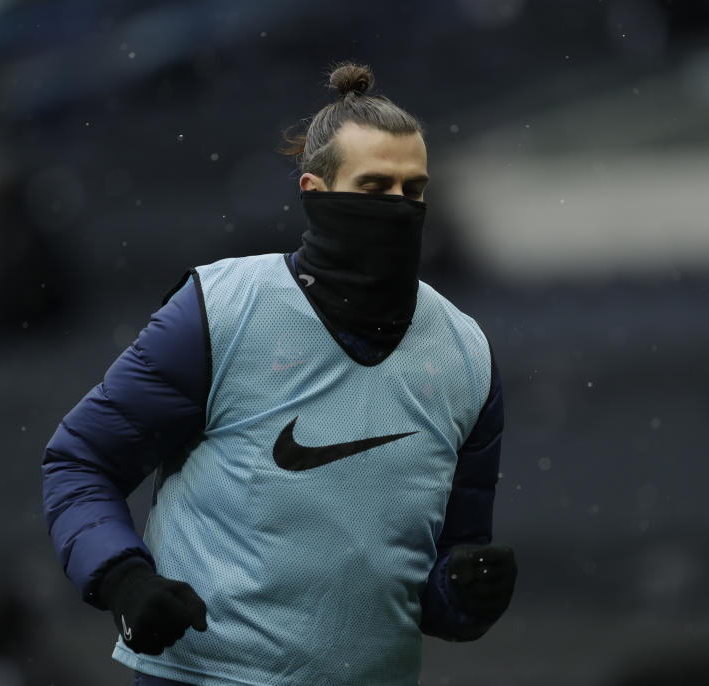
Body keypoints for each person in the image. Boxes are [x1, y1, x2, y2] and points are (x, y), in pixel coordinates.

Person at [41, 62, 517, 686]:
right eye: (375, 188)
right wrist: (124, 579)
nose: (400, 208)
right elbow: (79, 464)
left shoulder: (465, 352)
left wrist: (466, 595)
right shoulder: (221, 311)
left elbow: (435, 591)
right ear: (315, 191)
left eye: (414, 190)